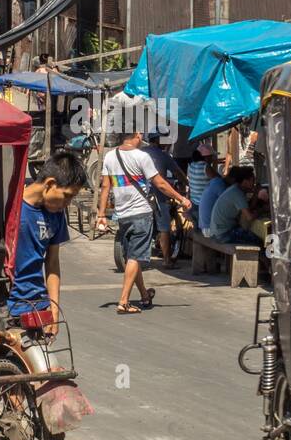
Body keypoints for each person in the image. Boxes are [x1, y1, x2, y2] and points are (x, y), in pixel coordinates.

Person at [96, 128, 190, 315]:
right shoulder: (142, 157)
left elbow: (105, 187)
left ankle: (145, 295)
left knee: (133, 256)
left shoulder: (110, 156)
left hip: (122, 214)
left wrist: (101, 214)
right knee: (135, 257)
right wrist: (181, 199)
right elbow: (160, 183)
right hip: (140, 213)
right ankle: (123, 301)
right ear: (137, 135)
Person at [8, 151, 88, 332]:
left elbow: (52, 263)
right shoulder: (10, 205)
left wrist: (53, 311)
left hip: (37, 306)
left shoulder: (57, 215)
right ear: (50, 184)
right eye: (67, 195)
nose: (68, 203)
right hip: (6, 306)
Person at [143, 131, 185, 267]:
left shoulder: (140, 152)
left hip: (140, 195)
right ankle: (167, 260)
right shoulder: (164, 156)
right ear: (160, 140)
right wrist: (187, 182)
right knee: (164, 227)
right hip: (158, 195)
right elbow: (178, 174)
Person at [209, 166, 265, 246]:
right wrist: (262, 210)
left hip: (218, 231)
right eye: (252, 180)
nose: (254, 183)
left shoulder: (235, 189)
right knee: (259, 241)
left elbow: (248, 208)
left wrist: (256, 192)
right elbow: (249, 217)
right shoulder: (238, 194)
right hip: (223, 234)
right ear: (245, 181)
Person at [198, 162, 229, 237]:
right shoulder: (219, 184)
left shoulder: (212, 183)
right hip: (210, 230)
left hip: (204, 227)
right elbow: (229, 203)